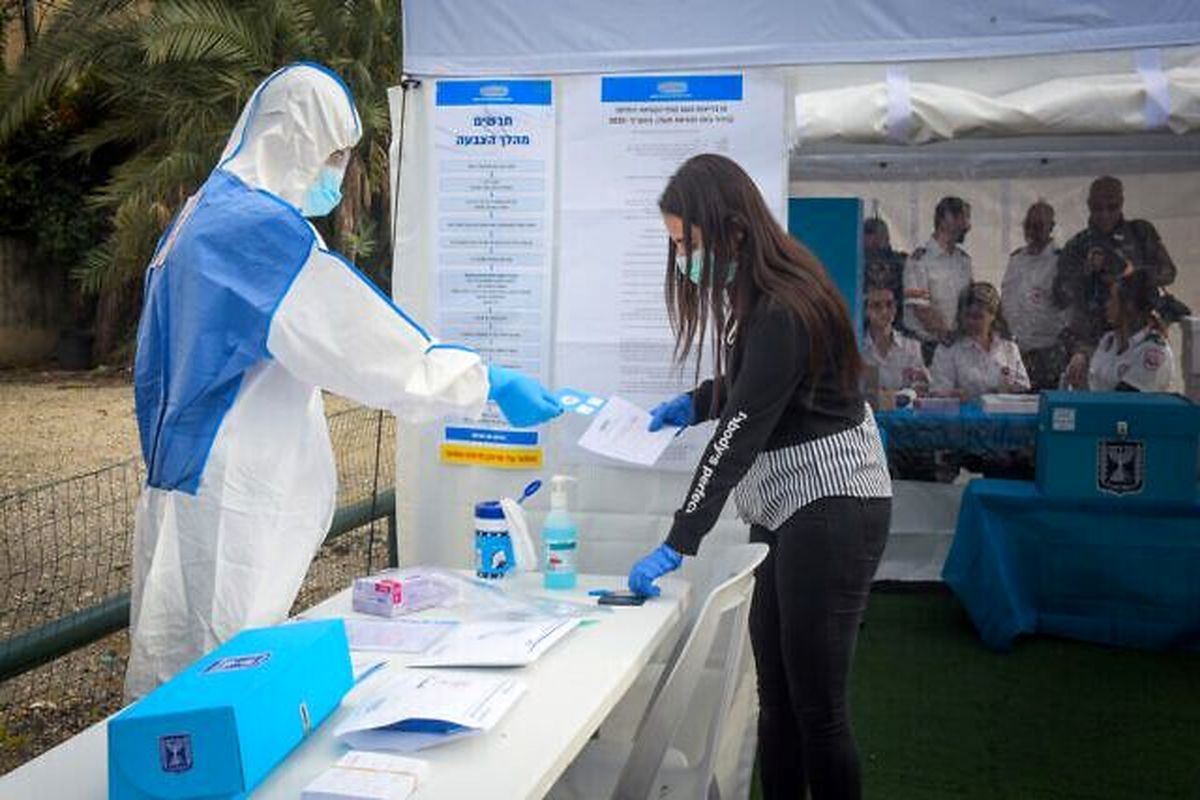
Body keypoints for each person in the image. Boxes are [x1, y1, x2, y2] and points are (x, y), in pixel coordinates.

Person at [126, 64, 562, 698]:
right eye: (332, 156)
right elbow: (357, 341)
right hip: (232, 495)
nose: (336, 175)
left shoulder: (198, 218)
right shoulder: (256, 233)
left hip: (181, 485)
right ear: (290, 137)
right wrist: (482, 381)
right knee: (222, 683)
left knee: (175, 674)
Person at [626, 154, 892, 800]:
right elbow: (761, 389)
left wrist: (679, 538)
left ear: (734, 232)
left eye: (688, 243)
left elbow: (741, 432)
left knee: (817, 711)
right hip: (790, 506)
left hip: (833, 504)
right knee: (776, 697)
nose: (684, 259)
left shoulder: (783, 307)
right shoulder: (769, 292)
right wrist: (694, 403)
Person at [1054, 175, 1183, 389]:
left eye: (1111, 206)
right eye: (1097, 207)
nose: (1104, 213)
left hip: (1137, 335)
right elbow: (1060, 296)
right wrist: (1085, 272)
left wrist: (1128, 271)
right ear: (1089, 205)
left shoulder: (1140, 232)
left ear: (1121, 203)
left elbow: (1168, 272)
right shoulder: (1077, 245)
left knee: (1134, 396)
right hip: (1094, 342)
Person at [1000, 201, 1066, 390]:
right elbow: (1006, 299)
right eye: (1028, 225)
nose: (1032, 231)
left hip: (1047, 351)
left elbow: (1068, 310)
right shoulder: (1016, 259)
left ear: (1051, 227)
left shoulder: (1060, 261)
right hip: (1016, 350)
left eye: (1038, 226)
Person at [1076, 267, 1175, 392]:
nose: (1107, 304)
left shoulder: (1152, 351)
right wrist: (1081, 356)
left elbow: (1125, 401)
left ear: (1129, 306)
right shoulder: (1109, 340)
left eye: (1112, 298)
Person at [930, 282, 1031, 400]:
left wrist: (1006, 389)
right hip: (963, 415)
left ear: (993, 315)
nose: (971, 321)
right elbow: (939, 392)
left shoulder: (1008, 346)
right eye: (967, 315)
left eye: (978, 317)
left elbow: (1023, 387)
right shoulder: (948, 348)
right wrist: (953, 395)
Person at [903, 196, 973, 364]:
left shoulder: (963, 260)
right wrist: (946, 336)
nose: (968, 226)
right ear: (946, 218)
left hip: (957, 346)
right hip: (927, 347)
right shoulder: (919, 260)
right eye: (964, 218)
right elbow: (920, 309)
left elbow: (969, 302)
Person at [861, 273, 928, 392]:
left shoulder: (912, 347)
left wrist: (921, 383)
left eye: (889, 304)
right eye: (876, 306)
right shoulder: (858, 348)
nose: (884, 311)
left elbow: (921, 389)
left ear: (896, 308)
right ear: (866, 310)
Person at [863, 216, 907, 322]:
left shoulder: (902, 262)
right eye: (870, 236)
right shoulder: (856, 264)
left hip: (896, 323)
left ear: (887, 237)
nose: (875, 241)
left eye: (879, 237)